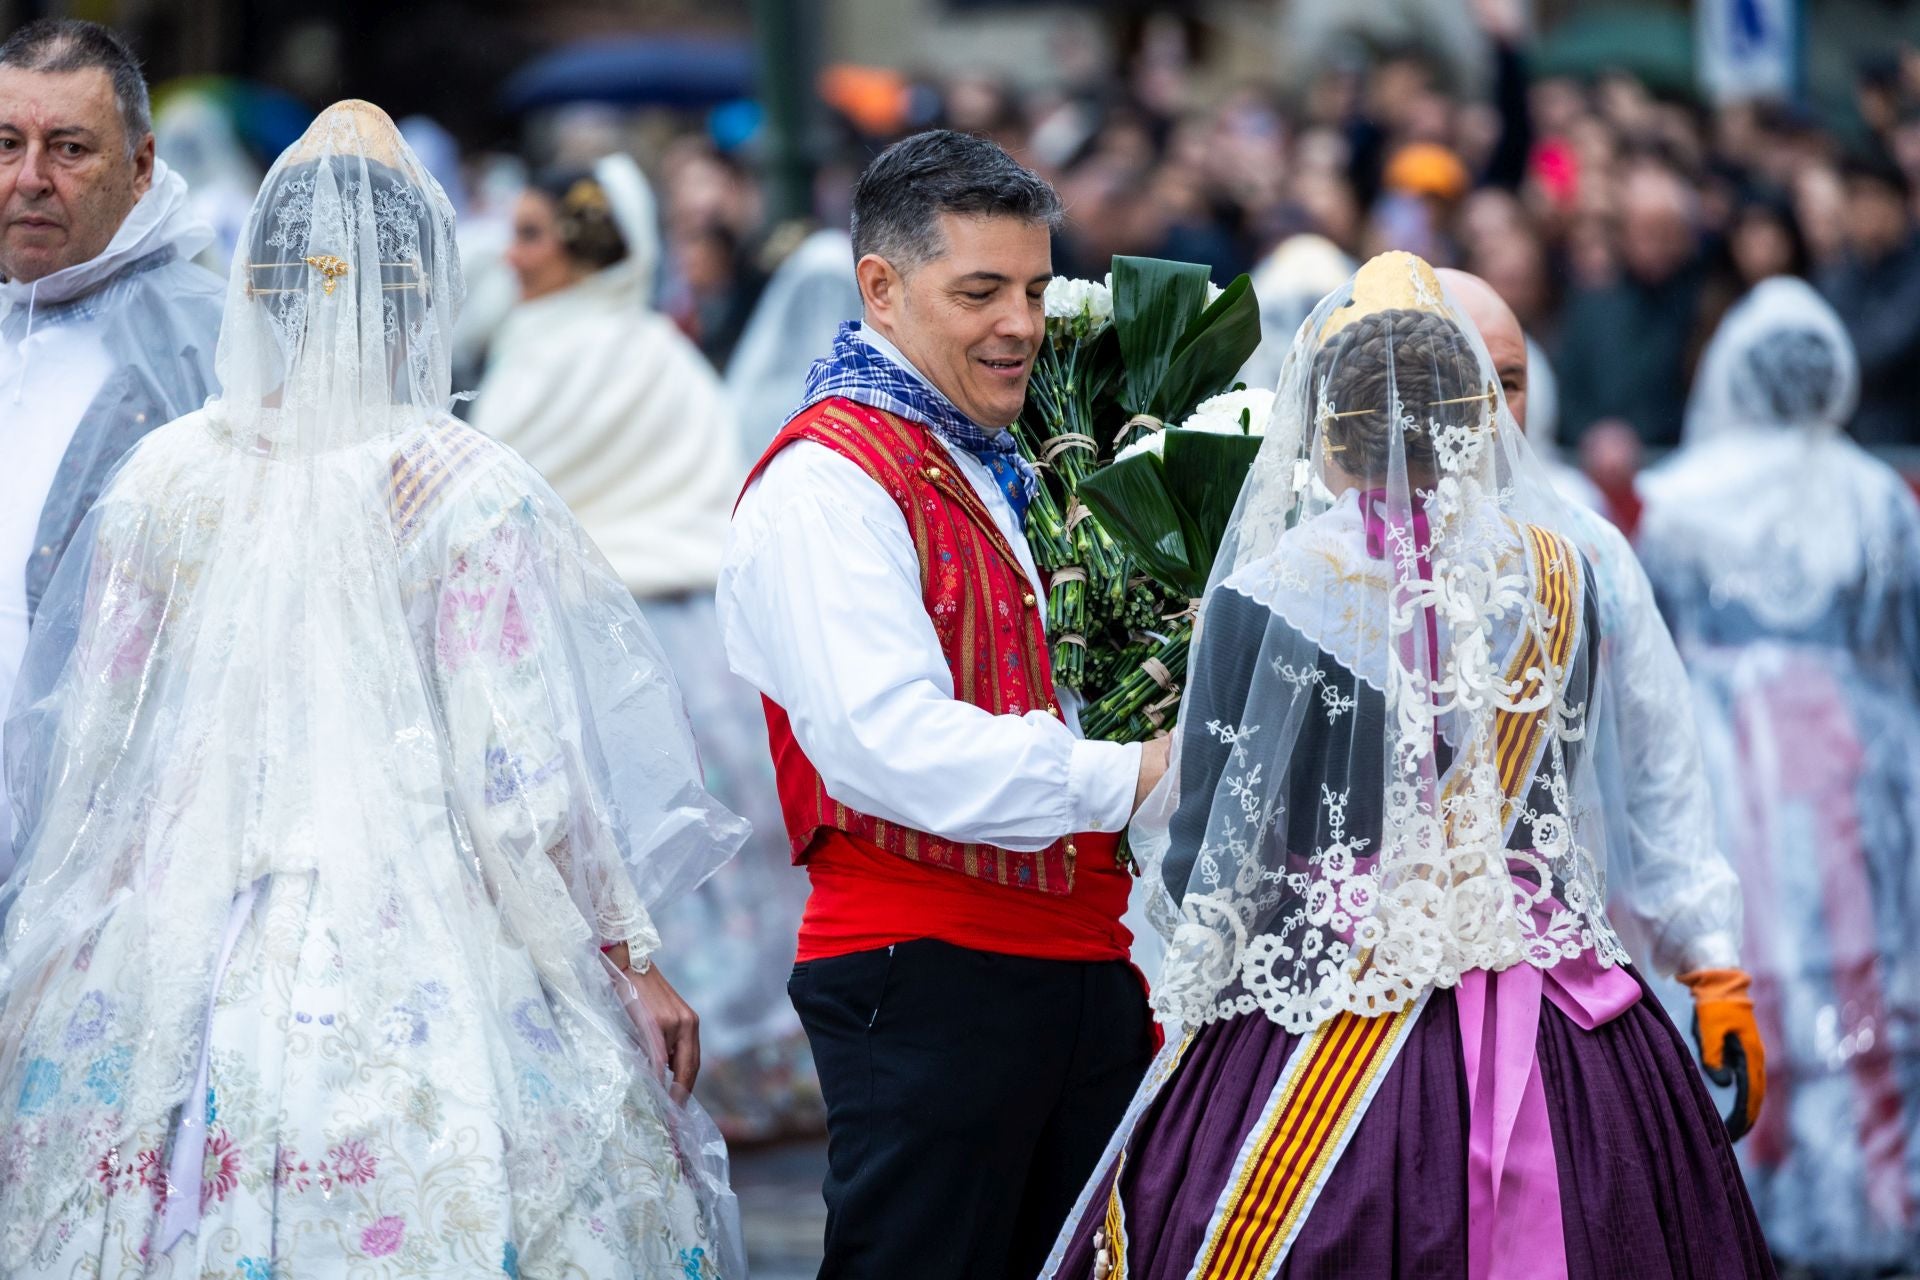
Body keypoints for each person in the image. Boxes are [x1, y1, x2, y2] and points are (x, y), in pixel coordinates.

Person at [0, 100, 748, 1278]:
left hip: (164, 918)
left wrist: (53, 930)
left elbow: (90, 740)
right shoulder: (456, 480)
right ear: (419, 288)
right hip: (415, 926)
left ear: (263, 283)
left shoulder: (165, 474)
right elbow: (517, 772)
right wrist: (623, 949)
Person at [1045, 252, 1771, 1280]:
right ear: (1481, 418)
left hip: (1329, 1024)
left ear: (1323, 433)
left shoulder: (1272, 589)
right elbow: (1609, 784)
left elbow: (1207, 852)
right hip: (1561, 1005)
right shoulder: (1569, 571)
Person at [717, 129, 1168, 1279]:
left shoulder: (1014, 458)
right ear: (881, 285)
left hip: (1085, 956)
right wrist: (1128, 772)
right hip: (925, 967)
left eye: (1031, 287)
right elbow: (884, 741)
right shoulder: (827, 478)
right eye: (979, 292)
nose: (1019, 322)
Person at [473, 155, 820, 1145]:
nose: (516, 252)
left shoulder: (544, 351)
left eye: (536, 232)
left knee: (635, 855)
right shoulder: (658, 349)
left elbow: (497, 505)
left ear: (580, 247)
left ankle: (662, 1066)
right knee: (724, 869)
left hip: (594, 640)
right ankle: (761, 1060)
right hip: (699, 647)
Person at [1637, 275, 1920, 1274]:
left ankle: (1741, 1200)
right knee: (1856, 972)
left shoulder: (1676, 503)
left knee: (1749, 970)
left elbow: (1655, 657)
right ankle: (1860, 1194)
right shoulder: (1878, 497)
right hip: (1856, 775)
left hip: (1735, 771)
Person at [0, 20, 223, 867]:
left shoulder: (206, 344)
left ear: (139, 167)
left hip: (115, 852)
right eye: (5, 143)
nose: (30, 180)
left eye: (68, 148)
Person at [1556, 162, 1705, 448]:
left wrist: (1637, 436)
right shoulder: (1591, 302)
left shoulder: (1702, 305)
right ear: (1624, 233)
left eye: (1667, 231)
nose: (1657, 245)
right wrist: (1591, 436)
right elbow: (1569, 389)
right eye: (1646, 231)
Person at [724, 227, 862, 460]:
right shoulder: (756, 396)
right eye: (813, 293)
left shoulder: (869, 395)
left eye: (838, 292)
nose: (824, 306)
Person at [1816, 155, 1920, 445]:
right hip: (1850, 443)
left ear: (1900, 203)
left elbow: (1881, 350)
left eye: (1874, 197)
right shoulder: (1837, 274)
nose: (1865, 210)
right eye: (1855, 198)